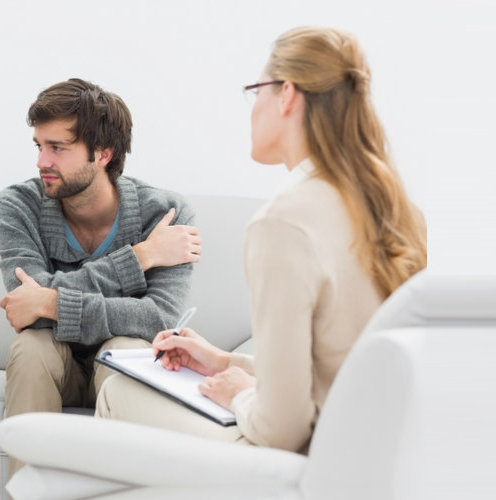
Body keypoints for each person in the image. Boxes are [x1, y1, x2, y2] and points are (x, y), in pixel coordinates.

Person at [96, 27, 428, 454]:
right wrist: (225, 363)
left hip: (305, 461)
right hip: (370, 452)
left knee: (118, 393)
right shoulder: (400, 210)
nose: (253, 109)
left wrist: (238, 393)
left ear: (286, 94)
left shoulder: (282, 222)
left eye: (256, 92)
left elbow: (281, 429)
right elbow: (338, 371)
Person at [0, 78, 201, 474]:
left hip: (123, 365)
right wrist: (140, 256)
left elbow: (160, 320)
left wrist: (52, 301)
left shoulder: (166, 214)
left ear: (103, 153)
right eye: (39, 146)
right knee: (31, 347)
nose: (41, 162)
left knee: (124, 348)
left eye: (58, 148)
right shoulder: (17, 205)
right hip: (56, 367)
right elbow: (25, 311)